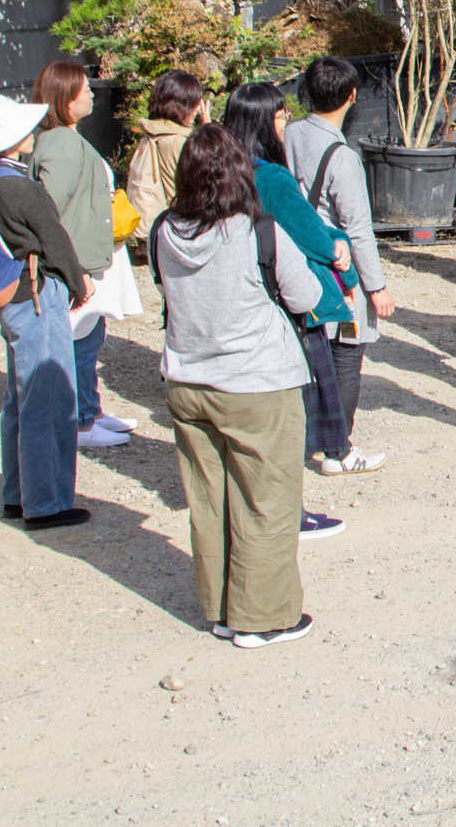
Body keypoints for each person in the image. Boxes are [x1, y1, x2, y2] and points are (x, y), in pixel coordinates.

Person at [152, 122, 323, 647]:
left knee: (211, 502)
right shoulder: (255, 230)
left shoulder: (165, 230)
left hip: (187, 380)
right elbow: (306, 294)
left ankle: (223, 609)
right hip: (254, 383)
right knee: (267, 499)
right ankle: (263, 618)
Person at [221, 83, 369, 525]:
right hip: (283, 299)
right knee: (291, 410)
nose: (285, 121)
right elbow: (309, 233)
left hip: (235, 302)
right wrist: (338, 250)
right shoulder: (270, 176)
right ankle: (291, 511)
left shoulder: (224, 169)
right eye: (281, 115)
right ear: (264, 121)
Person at [0, 93, 92, 530]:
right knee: (49, 398)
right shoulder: (20, 186)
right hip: (37, 294)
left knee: (20, 399)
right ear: (13, 138)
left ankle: (18, 495)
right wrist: (78, 281)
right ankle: (46, 502)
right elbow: (54, 238)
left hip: (11, 298)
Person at [285, 56, 396, 474]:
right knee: (348, 351)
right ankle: (339, 448)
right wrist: (376, 287)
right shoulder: (343, 157)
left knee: (307, 354)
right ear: (352, 96)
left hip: (293, 262)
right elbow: (358, 230)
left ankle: (306, 438)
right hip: (337, 268)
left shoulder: (287, 136)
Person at [29, 61, 142, 449]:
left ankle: (90, 410)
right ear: (64, 97)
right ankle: (79, 420)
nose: (92, 93)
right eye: (82, 89)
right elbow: (49, 207)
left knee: (90, 335)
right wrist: (70, 264)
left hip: (85, 252)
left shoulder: (65, 137)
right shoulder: (60, 142)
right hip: (75, 257)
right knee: (79, 338)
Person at [126, 69, 206, 229]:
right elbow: (196, 194)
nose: (199, 108)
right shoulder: (177, 142)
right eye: (196, 101)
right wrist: (208, 137)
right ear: (185, 104)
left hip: (153, 231)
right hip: (174, 232)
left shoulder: (153, 133)